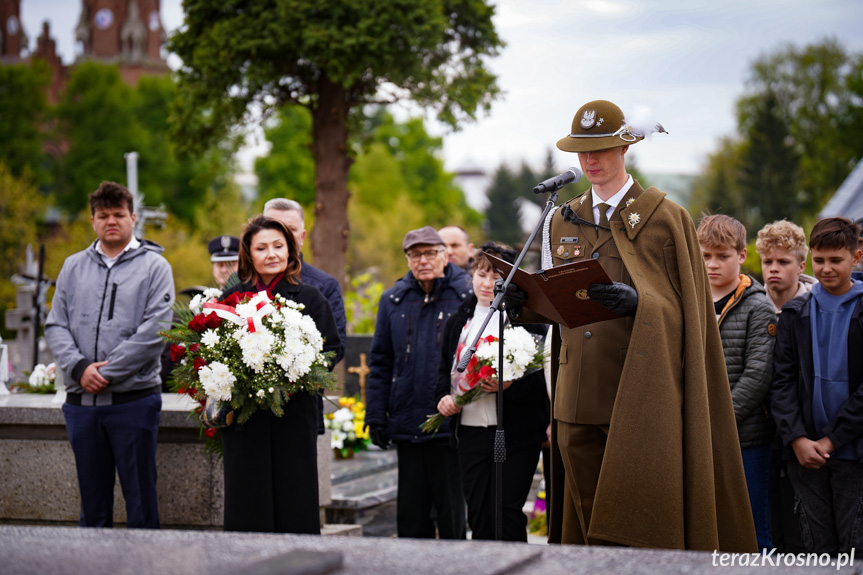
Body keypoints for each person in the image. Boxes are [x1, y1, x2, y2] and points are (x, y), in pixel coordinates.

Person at [503, 99, 756, 550]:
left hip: (643, 396)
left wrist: (642, 304)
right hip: (577, 397)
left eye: (600, 149)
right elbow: (558, 303)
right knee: (584, 526)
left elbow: (694, 317)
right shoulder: (560, 217)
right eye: (582, 151)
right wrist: (524, 302)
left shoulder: (664, 217)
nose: (590, 160)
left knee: (644, 526)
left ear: (625, 149)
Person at [45, 181, 174, 528]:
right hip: (81, 406)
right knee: (92, 506)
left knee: (141, 501)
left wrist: (107, 372)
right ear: (93, 221)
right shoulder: (72, 267)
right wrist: (80, 368)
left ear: (133, 218)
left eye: (119, 214)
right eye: (103, 215)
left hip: (134, 402)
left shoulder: (155, 267)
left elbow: (156, 330)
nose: (111, 221)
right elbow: (55, 324)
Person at [219, 215, 341, 533]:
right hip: (245, 417)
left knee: (294, 497)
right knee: (248, 499)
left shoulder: (311, 297)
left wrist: (297, 372)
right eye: (262, 247)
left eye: (278, 245)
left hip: (293, 413)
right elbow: (214, 351)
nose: (271, 253)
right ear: (248, 254)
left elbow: (332, 349)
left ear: (290, 250)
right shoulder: (231, 299)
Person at [433, 242, 549, 541]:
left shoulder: (528, 321)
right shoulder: (460, 320)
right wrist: (444, 399)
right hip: (471, 431)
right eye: (481, 274)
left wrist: (510, 385)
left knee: (507, 511)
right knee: (479, 513)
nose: (488, 284)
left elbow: (542, 382)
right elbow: (443, 370)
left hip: (515, 432)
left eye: (497, 276)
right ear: (471, 275)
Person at [366, 226, 471, 539]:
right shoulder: (394, 300)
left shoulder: (465, 295)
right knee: (411, 518)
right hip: (407, 422)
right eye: (415, 255)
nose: (423, 260)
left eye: (430, 253)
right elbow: (381, 361)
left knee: (452, 515)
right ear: (408, 259)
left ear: (444, 255)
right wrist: (375, 416)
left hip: (450, 425)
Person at [771, 216, 863, 554]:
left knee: (854, 547)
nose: (826, 269)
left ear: (856, 257)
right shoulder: (795, 314)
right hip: (806, 455)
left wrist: (832, 439)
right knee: (814, 547)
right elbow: (781, 382)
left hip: (854, 454)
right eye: (819, 260)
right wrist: (797, 439)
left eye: (836, 260)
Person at [697, 214, 777, 550]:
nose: (712, 265)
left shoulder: (759, 307)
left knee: (753, 530)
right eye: (705, 256)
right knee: (707, 532)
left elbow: (757, 377)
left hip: (746, 441)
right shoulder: (690, 303)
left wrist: (714, 423)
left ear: (742, 256)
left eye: (722, 256)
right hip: (698, 439)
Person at [263, 198, 346, 364]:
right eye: (274, 227)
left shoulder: (324, 286)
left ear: (302, 237)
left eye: (290, 229)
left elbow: (335, 349)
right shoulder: (240, 282)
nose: (283, 235)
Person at [756, 220, 817, 314]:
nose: (773, 269)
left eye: (783, 262)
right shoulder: (749, 308)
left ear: (801, 267)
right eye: (767, 262)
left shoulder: (818, 306)